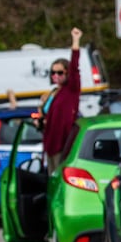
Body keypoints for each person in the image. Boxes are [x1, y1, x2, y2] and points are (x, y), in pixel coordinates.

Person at [41, 27, 82, 173]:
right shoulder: (54, 93)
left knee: (58, 179)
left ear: (67, 73)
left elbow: (75, 68)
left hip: (62, 145)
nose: (55, 75)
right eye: (53, 72)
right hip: (50, 146)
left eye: (60, 72)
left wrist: (75, 41)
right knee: (51, 180)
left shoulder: (71, 90)